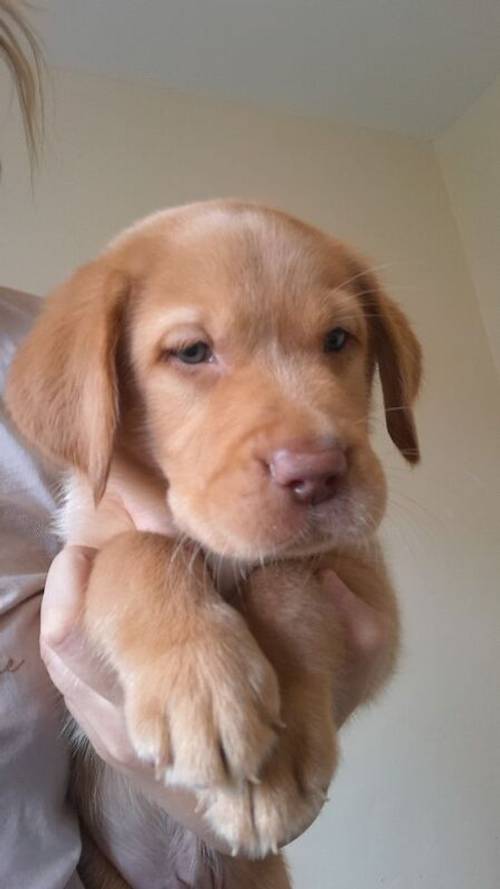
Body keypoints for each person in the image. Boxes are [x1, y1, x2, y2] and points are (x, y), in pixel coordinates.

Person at [0, 6, 392, 887]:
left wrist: (299, 666)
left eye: (338, 340)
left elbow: (364, 622)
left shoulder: (35, 337)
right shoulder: (83, 366)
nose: (313, 437)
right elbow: (112, 568)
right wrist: (154, 596)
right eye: (193, 351)